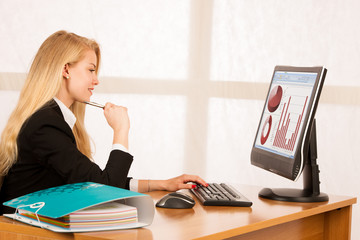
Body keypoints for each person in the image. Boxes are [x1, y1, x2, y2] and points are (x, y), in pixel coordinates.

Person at [0, 30, 207, 214]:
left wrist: (162, 184)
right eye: (91, 70)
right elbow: (105, 188)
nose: (96, 80)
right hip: (22, 233)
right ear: (66, 70)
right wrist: (121, 130)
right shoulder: (45, 125)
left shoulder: (50, 119)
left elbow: (93, 180)